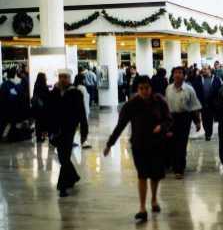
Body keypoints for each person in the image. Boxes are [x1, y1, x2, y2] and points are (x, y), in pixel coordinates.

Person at [104, 76, 172, 222]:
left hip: (157, 144)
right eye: (141, 88)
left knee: (155, 175)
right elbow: (120, 125)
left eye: (146, 88)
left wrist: (162, 127)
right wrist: (110, 143)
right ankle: (142, 207)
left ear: (151, 88)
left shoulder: (159, 101)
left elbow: (168, 119)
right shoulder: (131, 105)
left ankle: (154, 199)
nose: (144, 91)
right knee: (142, 175)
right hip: (139, 145)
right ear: (137, 89)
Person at [49, 69, 88, 197]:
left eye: (65, 77)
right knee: (62, 157)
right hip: (56, 130)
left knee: (64, 156)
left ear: (69, 78)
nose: (62, 79)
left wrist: (84, 132)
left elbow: (81, 113)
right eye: (60, 77)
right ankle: (73, 176)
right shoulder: (54, 92)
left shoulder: (75, 93)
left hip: (69, 129)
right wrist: (46, 129)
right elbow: (49, 111)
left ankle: (62, 186)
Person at [165, 67, 202, 179]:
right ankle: (172, 164)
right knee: (171, 143)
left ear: (184, 75)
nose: (177, 75)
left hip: (184, 118)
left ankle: (179, 169)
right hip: (171, 118)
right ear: (172, 75)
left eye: (180, 73)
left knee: (181, 144)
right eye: (175, 73)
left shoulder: (189, 89)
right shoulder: (168, 88)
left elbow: (194, 107)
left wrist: (197, 122)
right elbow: (165, 106)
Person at [192, 65, 222, 141]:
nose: (204, 70)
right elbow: (194, 89)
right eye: (203, 69)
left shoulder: (216, 79)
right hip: (202, 102)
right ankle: (207, 132)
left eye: (205, 69)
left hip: (212, 103)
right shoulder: (198, 79)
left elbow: (220, 90)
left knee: (210, 118)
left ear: (209, 70)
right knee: (205, 119)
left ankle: (209, 133)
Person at [0, 67, 24, 141]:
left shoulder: (4, 85)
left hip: (6, 108)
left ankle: (6, 136)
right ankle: (12, 136)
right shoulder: (16, 85)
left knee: (8, 123)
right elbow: (19, 96)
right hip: (14, 108)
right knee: (13, 123)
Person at [32, 73, 50, 143]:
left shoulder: (36, 85)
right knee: (42, 122)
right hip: (42, 107)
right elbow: (46, 96)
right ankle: (41, 136)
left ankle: (38, 136)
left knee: (38, 122)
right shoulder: (44, 86)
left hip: (37, 107)